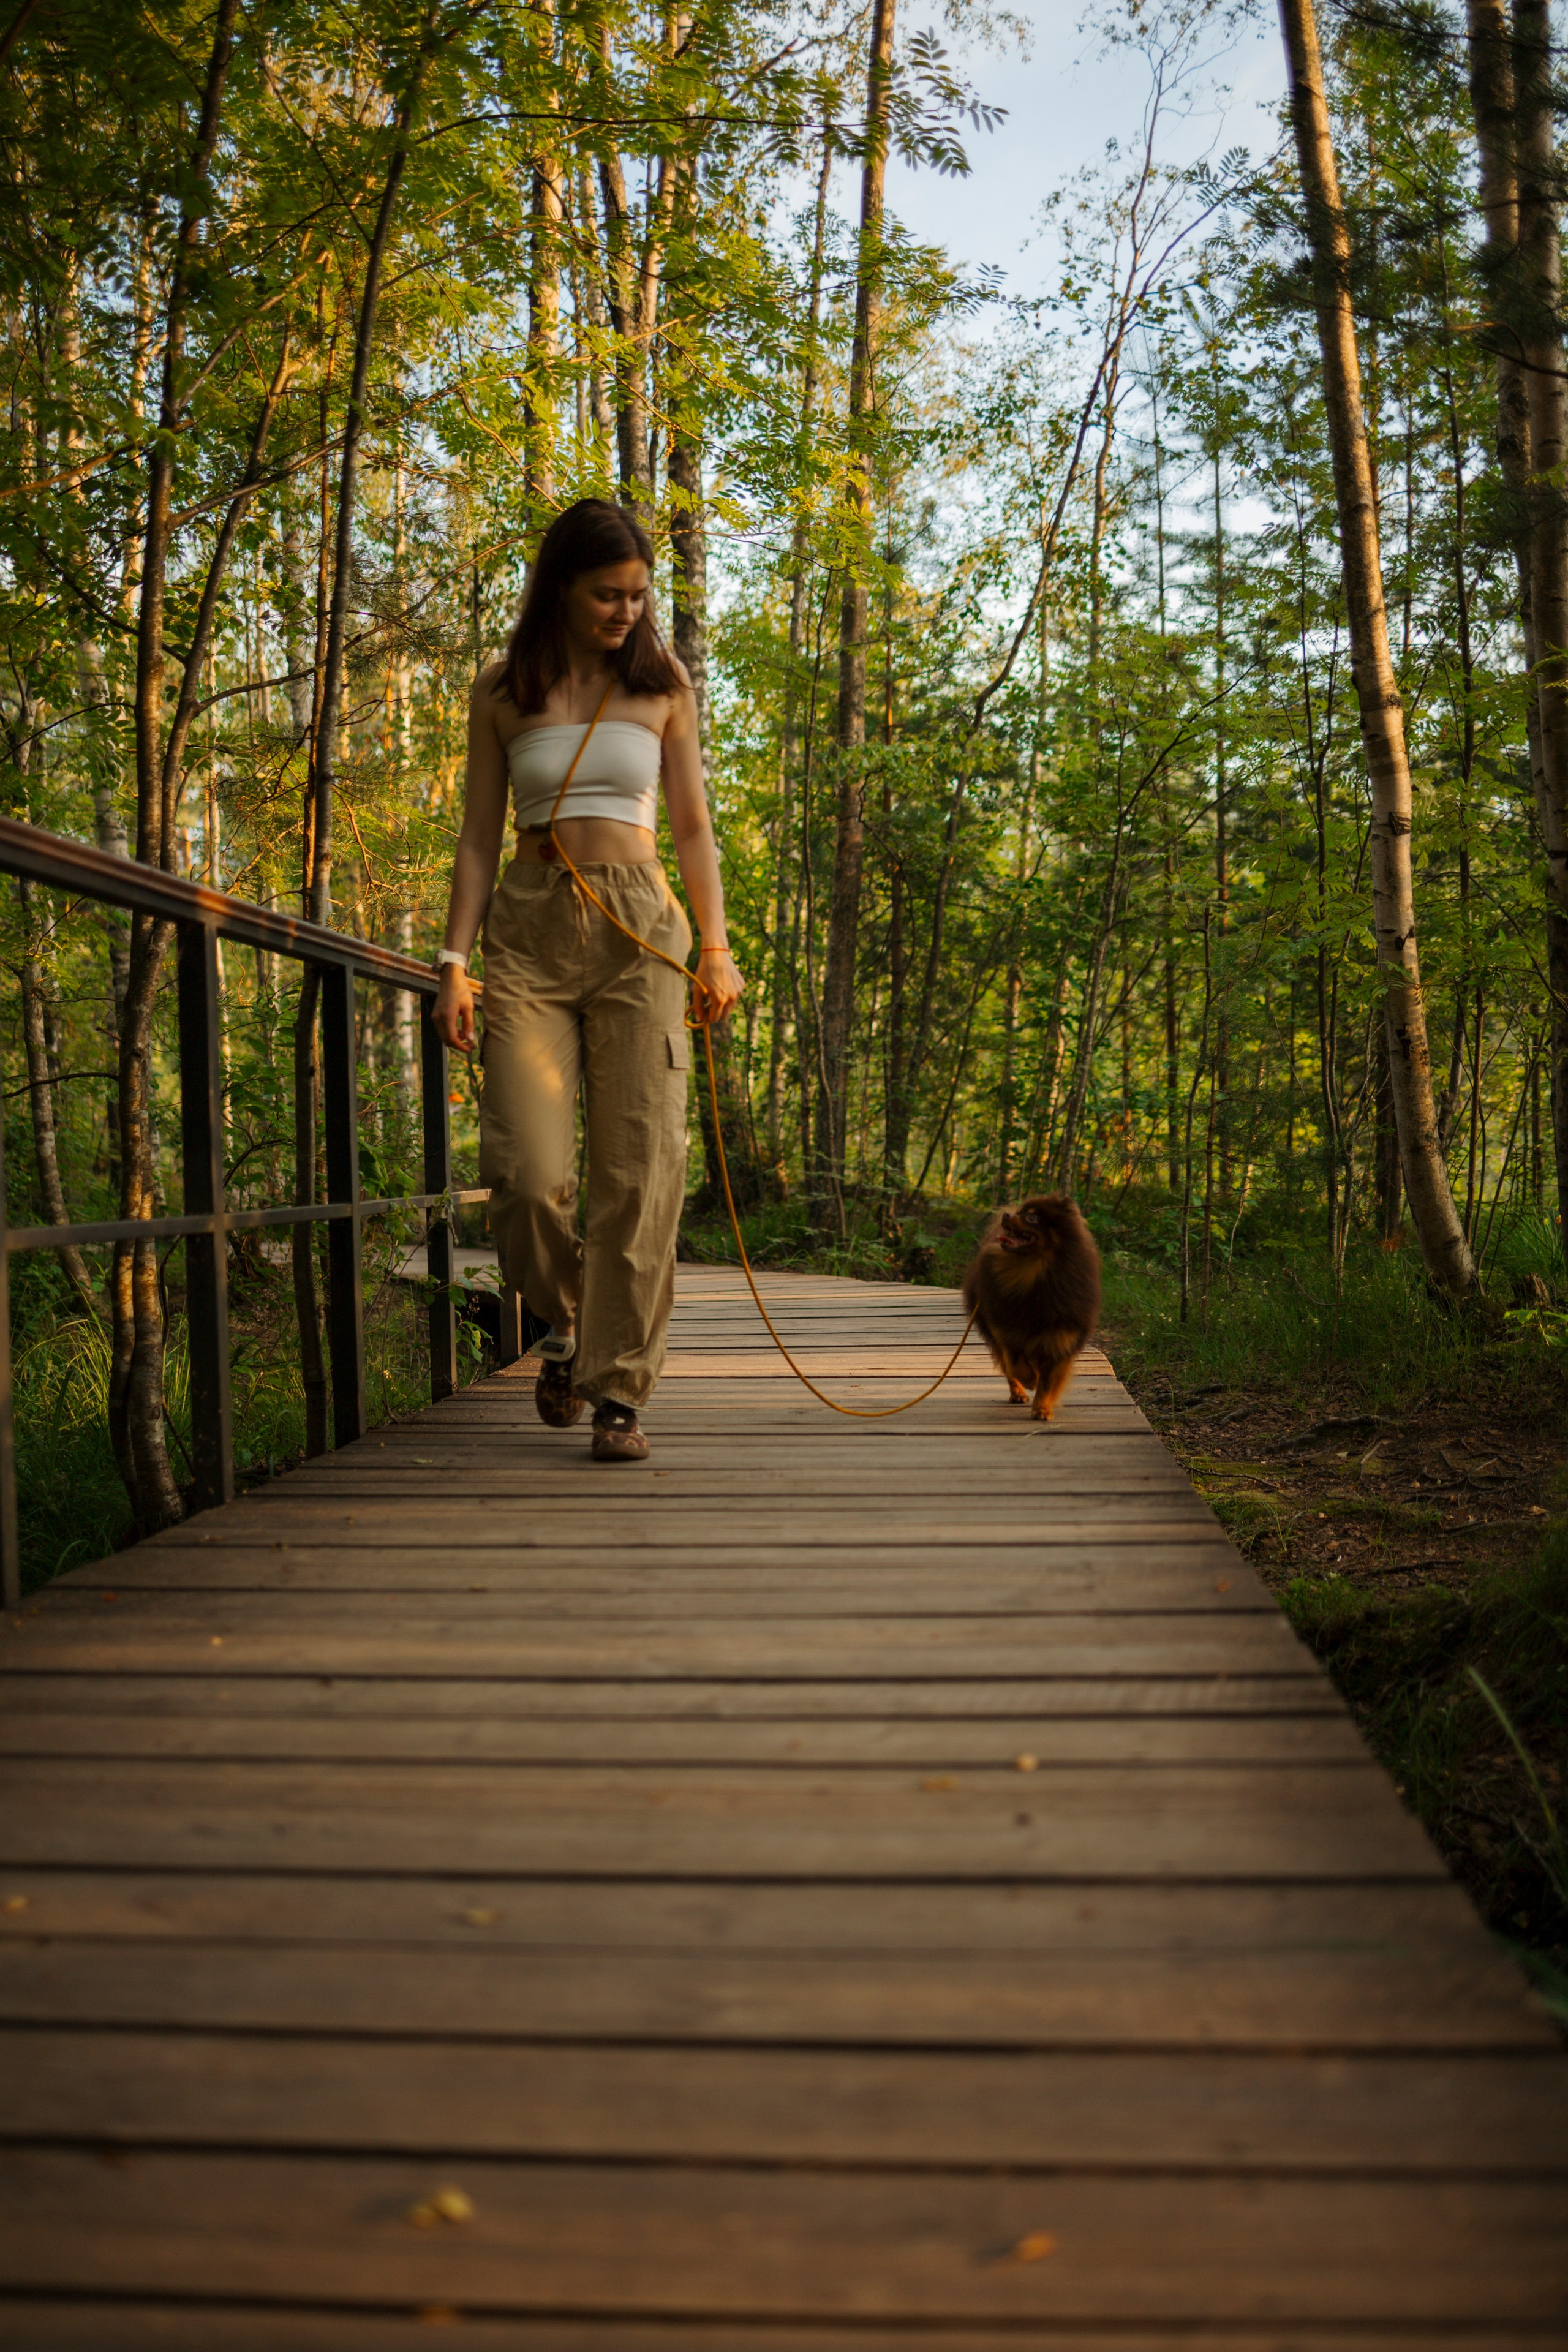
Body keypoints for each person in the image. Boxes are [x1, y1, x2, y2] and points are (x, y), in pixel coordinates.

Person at [433, 499, 744, 1462]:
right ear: (560, 589)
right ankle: (570, 1320)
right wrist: (453, 961)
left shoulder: (664, 685)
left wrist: (718, 946)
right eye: (608, 594)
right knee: (524, 1176)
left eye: (639, 595)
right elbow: (481, 837)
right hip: (527, 933)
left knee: (639, 1174)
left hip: (641, 931)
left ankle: (617, 1392)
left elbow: (691, 825)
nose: (626, 610)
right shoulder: (502, 689)